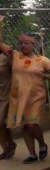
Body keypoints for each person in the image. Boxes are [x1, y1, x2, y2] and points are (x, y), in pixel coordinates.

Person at [2, 34, 50, 163]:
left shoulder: (42, 60)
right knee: (25, 125)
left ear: (33, 45)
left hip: (36, 96)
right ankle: (32, 154)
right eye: (21, 43)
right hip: (19, 97)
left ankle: (42, 144)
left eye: (27, 43)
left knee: (32, 124)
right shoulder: (15, 56)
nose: (23, 45)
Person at [0, 16, 17, 160]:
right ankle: (7, 148)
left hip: (5, 94)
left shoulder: (7, 57)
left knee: (1, 122)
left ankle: (9, 145)